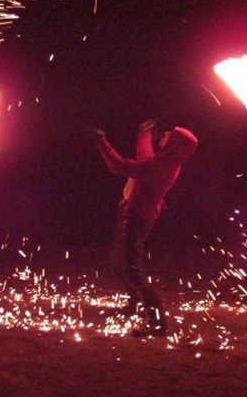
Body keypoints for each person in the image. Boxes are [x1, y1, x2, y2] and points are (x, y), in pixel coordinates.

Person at [90, 120, 199, 336]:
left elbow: (118, 165)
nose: (166, 134)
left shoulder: (159, 167)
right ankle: (133, 306)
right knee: (121, 264)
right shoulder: (164, 162)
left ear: (174, 145)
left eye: (170, 135)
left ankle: (158, 323)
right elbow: (145, 157)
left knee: (132, 270)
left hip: (137, 217)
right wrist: (144, 134)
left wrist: (100, 141)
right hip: (136, 214)